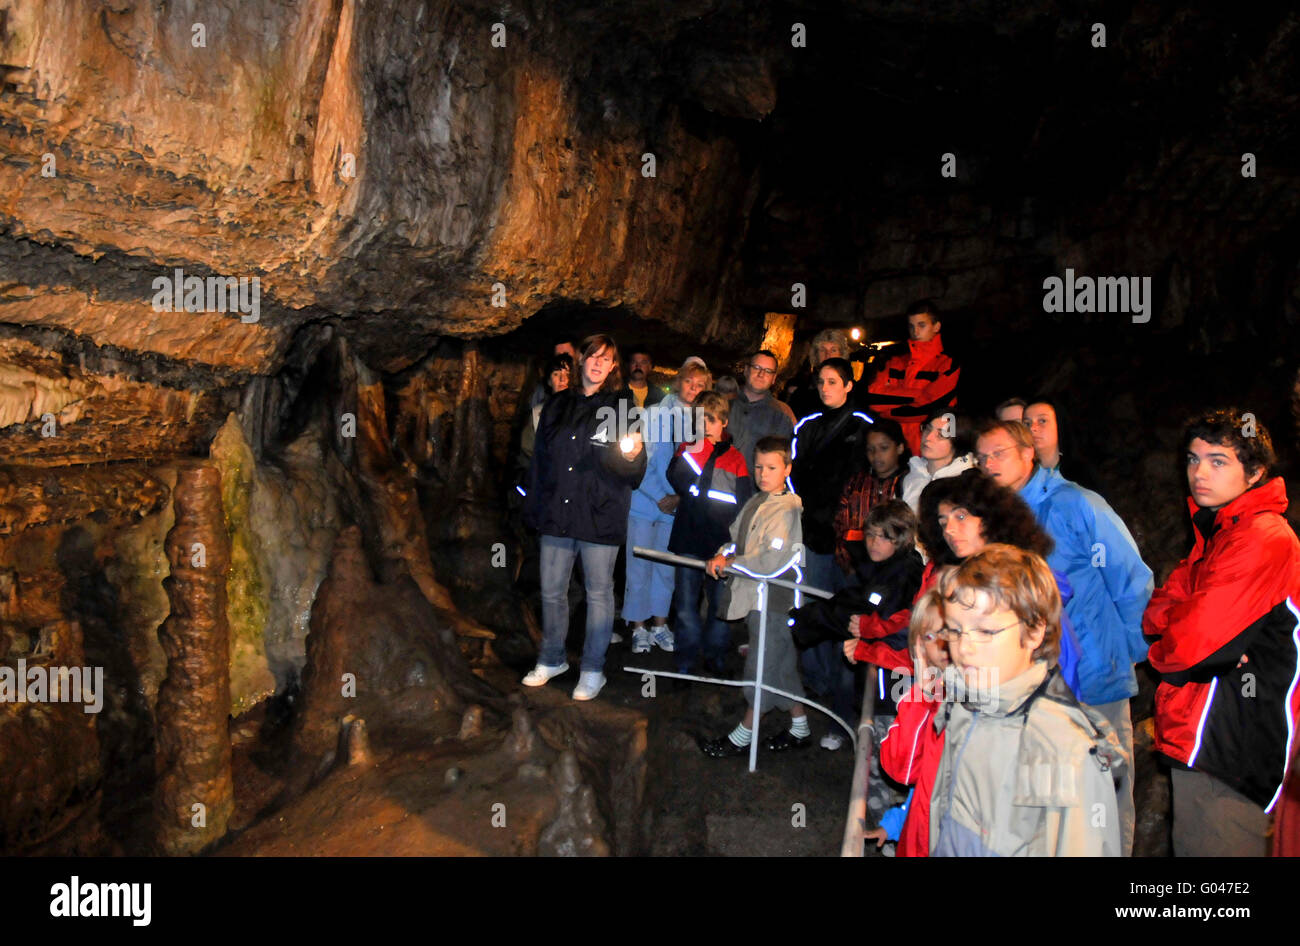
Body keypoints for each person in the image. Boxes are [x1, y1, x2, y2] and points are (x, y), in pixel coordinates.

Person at [976, 418, 1152, 855]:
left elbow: (1131, 578)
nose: (988, 463)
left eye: (998, 452)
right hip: (1034, 684)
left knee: (1105, 796)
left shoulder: (1076, 505)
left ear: (1027, 453)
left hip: (1093, 675)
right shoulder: (998, 517)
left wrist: (1126, 654)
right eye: (982, 456)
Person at [1143, 409, 1300, 857]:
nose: (1199, 473)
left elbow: (1189, 649)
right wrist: (1191, 635)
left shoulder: (1262, 536)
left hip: (1232, 746)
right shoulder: (1215, 536)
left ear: (1255, 472)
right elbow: (1155, 614)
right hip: (1200, 735)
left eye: (1217, 461)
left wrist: (1171, 648)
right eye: (1192, 460)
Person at [928, 545, 1125, 856]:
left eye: (986, 631)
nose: (964, 647)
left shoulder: (1058, 746)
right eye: (954, 630)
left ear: (1034, 632)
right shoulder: (964, 705)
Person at [521, 335, 646, 701]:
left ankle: (593, 669)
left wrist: (628, 454)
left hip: (598, 512)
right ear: (582, 361)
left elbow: (633, 468)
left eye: (605, 359)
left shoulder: (622, 406)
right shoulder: (558, 404)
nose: (596, 363)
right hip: (558, 511)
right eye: (592, 356)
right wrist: (535, 505)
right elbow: (541, 461)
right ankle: (552, 658)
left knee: (598, 592)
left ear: (612, 368)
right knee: (552, 590)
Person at [916, 469, 1083, 696]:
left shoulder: (1028, 590)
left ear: (991, 519)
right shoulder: (963, 589)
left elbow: (1062, 672)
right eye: (943, 522)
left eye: (961, 516)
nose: (949, 530)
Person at [698, 437, 809, 756]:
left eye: (772, 467)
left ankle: (743, 735)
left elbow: (770, 560)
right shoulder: (755, 501)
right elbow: (736, 540)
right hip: (755, 596)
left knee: (761, 667)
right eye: (758, 466)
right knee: (782, 663)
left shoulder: (786, 510)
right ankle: (800, 728)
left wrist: (731, 563)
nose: (763, 473)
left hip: (772, 598)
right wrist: (723, 555)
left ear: (787, 469)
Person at [790, 357, 874, 748]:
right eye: (820, 382)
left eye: (832, 381)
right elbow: (792, 474)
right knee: (815, 612)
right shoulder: (807, 426)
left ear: (848, 384)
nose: (825, 388)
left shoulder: (865, 425)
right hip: (816, 536)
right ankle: (820, 688)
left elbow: (873, 478)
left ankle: (847, 709)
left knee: (849, 621)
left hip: (856, 546)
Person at [667, 392, 753, 677]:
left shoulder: (737, 459)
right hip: (689, 539)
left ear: (724, 422)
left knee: (720, 607)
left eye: (712, 419)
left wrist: (733, 548)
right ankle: (685, 663)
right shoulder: (688, 449)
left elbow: (742, 505)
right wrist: (696, 451)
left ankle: (715, 659)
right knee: (685, 605)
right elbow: (677, 479)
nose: (706, 424)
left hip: (721, 545)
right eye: (701, 418)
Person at [877, 589, 950, 857]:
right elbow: (904, 772)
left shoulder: (971, 703)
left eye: (949, 633)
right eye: (930, 637)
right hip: (919, 835)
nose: (940, 646)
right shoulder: (926, 697)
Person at [622, 364, 679, 656]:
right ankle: (638, 627)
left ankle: (659, 624)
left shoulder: (694, 422)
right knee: (639, 568)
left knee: (665, 570)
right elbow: (638, 461)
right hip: (645, 505)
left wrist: (679, 497)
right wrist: (662, 496)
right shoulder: (652, 417)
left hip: (672, 509)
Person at [863, 300, 960, 455]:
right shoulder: (895, 362)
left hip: (933, 450)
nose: (915, 331)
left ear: (936, 326)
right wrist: (918, 396)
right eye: (911, 326)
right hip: (896, 452)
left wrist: (888, 412)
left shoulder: (948, 365)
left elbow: (934, 407)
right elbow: (873, 399)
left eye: (922, 325)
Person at [832, 418, 908, 575]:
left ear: (899, 448)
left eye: (884, 448)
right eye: (870, 450)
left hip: (890, 571)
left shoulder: (907, 483)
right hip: (850, 567)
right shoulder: (856, 482)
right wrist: (844, 557)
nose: (876, 455)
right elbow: (839, 523)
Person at [727, 349, 796, 471]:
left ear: (774, 378)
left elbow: (782, 462)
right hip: (715, 484)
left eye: (768, 371)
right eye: (756, 367)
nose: (761, 374)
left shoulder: (782, 416)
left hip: (754, 488)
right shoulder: (723, 403)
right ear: (746, 370)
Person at [899, 408, 975, 514]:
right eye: (927, 429)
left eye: (941, 435)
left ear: (957, 441)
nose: (928, 437)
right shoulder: (907, 477)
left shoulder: (969, 481)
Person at [785, 329, 850, 421]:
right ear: (816, 354)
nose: (828, 355)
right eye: (823, 350)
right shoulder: (800, 385)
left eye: (833, 350)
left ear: (841, 354)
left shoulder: (849, 387)